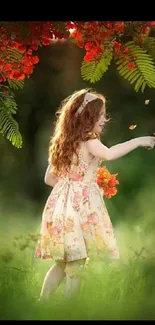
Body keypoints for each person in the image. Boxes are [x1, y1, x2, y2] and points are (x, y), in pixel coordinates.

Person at [35, 88, 155, 300]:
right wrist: (139, 141)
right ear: (89, 117)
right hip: (80, 208)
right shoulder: (89, 140)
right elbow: (108, 153)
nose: (104, 119)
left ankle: (42, 302)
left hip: (61, 208)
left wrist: (72, 186)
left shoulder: (63, 142)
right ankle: (68, 310)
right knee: (77, 263)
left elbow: (49, 179)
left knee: (63, 263)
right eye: (100, 115)